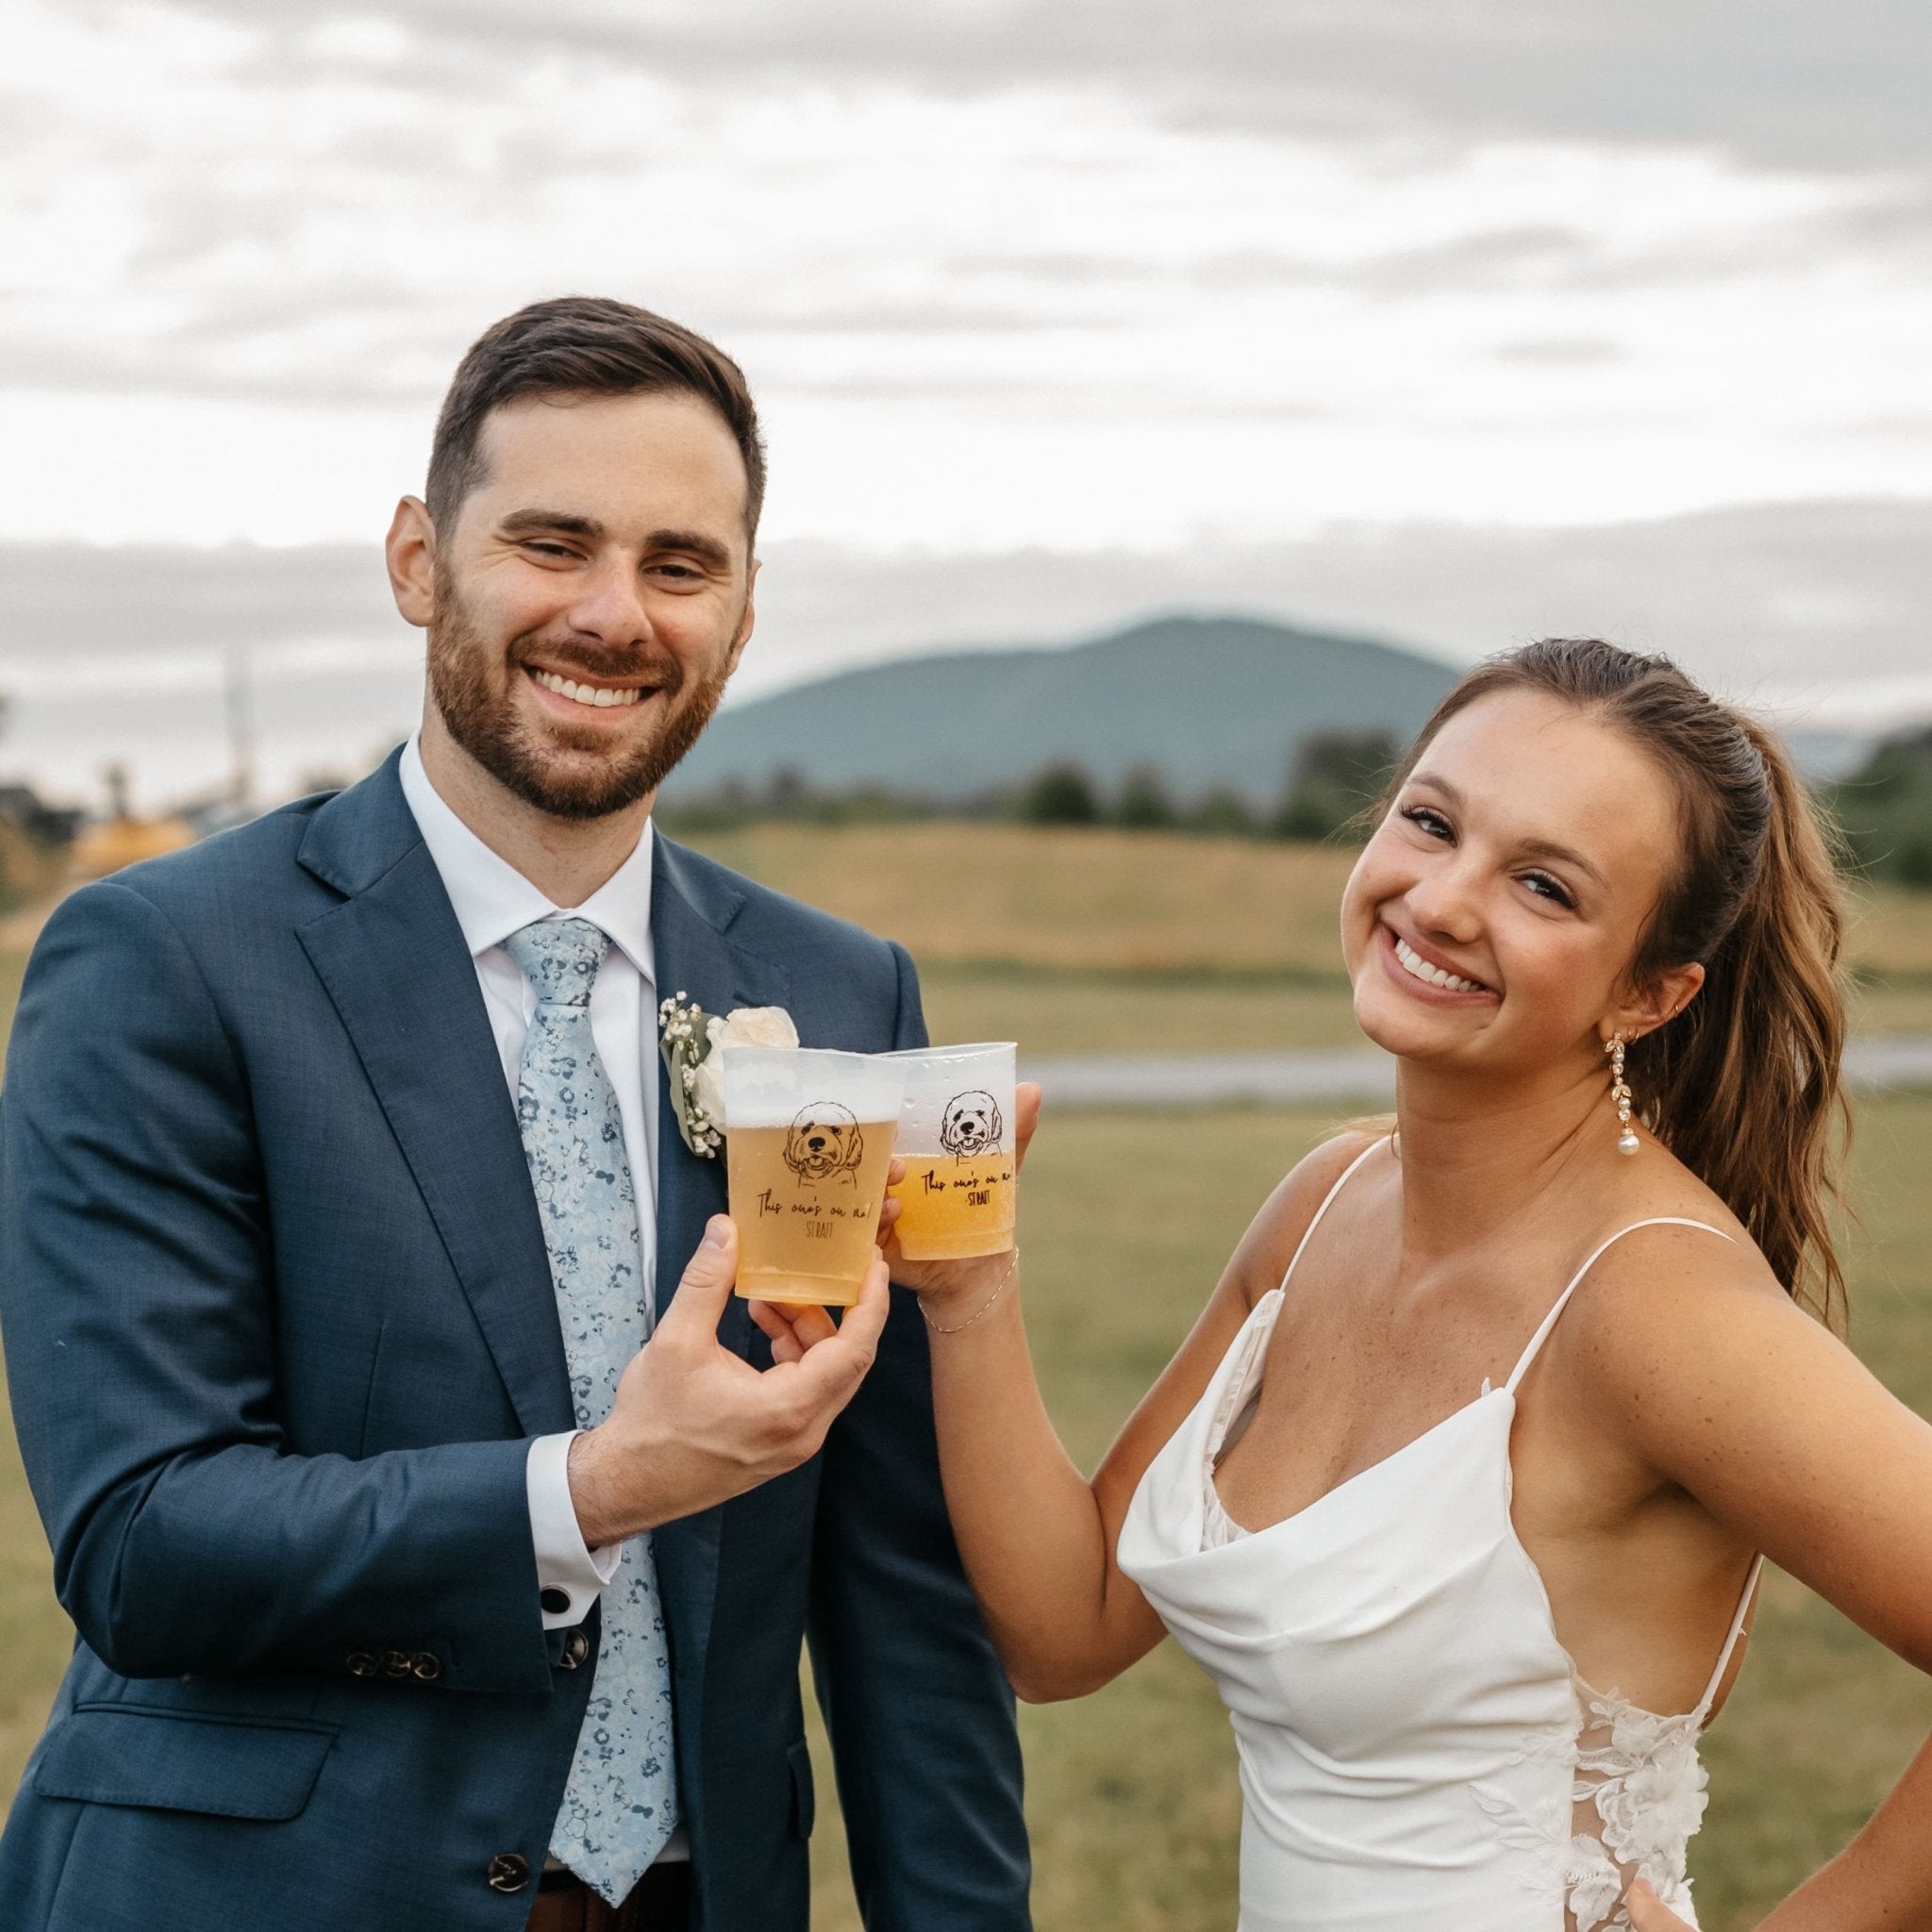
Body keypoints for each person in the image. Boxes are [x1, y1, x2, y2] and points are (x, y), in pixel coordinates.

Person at [0, 296, 1028, 1932]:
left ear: (745, 612)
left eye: (683, 566)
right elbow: (142, 1539)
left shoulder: (843, 995)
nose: (617, 616)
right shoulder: (166, 960)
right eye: (553, 544)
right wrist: (595, 1486)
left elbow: (904, 1604)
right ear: (420, 560)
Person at [810, 639, 1932, 1931]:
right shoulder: (1326, 1201)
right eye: (1431, 821)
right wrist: (969, 1291)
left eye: (1545, 887)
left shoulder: (1653, 1307)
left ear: (1648, 992)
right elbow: (1069, 1626)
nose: (1444, 899)